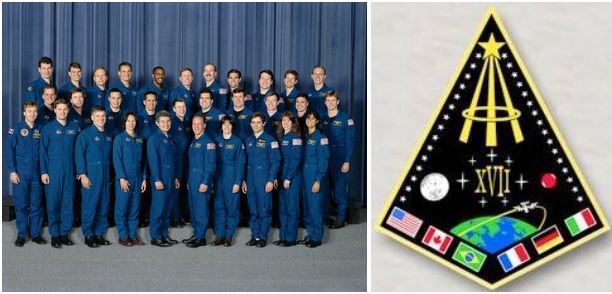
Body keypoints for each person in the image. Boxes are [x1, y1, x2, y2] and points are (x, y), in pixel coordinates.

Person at [40, 98, 81, 248]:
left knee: (68, 203)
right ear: (54, 110)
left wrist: (79, 170)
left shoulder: (75, 128)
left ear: (68, 110)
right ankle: (55, 234)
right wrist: (44, 171)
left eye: (65, 109)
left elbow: (79, 152)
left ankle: (64, 233)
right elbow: (42, 152)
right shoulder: (48, 129)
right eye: (60, 109)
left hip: (70, 170)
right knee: (53, 203)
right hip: (53, 170)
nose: (62, 112)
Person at [7, 101, 46, 247]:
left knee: (36, 204)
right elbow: (9, 150)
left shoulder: (40, 129)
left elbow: (43, 153)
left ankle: (35, 234)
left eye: (35, 111)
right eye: (29, 111)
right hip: (21, 173)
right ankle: (21, 234)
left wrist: (43, 172)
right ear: (24, 113)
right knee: (21, 204)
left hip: (36, 173)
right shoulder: (16, 129)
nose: (32, 114)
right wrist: (12, 171)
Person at [74, 106, 113, 248]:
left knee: (103, 205)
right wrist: (83, 175)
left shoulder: (108, 135)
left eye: (103, 116)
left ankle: (99, 233)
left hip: (105, 173)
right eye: (97, 116)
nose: (101, 119)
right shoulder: (85, 135)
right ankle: (88, 235)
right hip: (91, 174)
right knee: (90, 205)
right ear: (92, 118)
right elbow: (79, 155)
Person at [242, 112, 281, 248]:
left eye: (258, 122)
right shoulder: (248, 141)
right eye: (253, 123)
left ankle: (263, 237)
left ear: (263, 124)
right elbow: (244, 162)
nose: (256, 125)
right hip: (250, 179)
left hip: (264, 179)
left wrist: (271, 179)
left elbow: (275, 161)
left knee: (264, 208)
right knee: (253, 209)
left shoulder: (271, 140)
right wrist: (244, 180)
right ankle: (255, 235)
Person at [113, 112, 147, 246]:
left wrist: (144, 178)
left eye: (133, 121)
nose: (131, 123)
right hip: (124, 178)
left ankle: (133, 235)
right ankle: (123, 236)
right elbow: (117, 159)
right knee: (122, 208)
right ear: (124, 122)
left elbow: (144, 161)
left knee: (135, 208)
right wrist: (121, 177)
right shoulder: (119, 139)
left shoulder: (140, 139)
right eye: (128, 121)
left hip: (137, 178)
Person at [322, 91, 355, 229]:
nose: (330, 103)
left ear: (338, 102)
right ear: (325, 102)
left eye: (333, 100)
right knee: (325, 189)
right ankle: (328, 217)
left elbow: (350, 141)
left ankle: (341, 218)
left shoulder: (345, 118)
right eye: (328, 100)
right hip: (325, 157)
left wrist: (347, 160)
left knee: (340, 190)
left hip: (339, 157)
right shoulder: (322, 118)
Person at [211, 116, 245, 247]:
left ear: (232, 126)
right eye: (224, 124)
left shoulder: (237, 142)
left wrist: (237, 182)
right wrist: (212, 181)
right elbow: (212, 163)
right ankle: (219, 235)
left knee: (232, 209)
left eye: (229, 124)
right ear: (221, 127)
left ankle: (229, 236)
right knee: (219, 208)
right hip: (218, 179)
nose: (226, 127)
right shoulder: (215, 141)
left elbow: (240, 163)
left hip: (231, 179)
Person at [183, 114, 216, 248]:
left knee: (201, 209)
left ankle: (201, 237)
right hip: (193, 180)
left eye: (199, 124)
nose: (196, 126)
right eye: (194, 124)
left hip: (202, 181)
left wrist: (205, 182)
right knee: (194, 208)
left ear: (204, 125)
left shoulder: (208, 143)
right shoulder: (194, 141)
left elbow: (210, 166)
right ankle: (196, 233)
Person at [147, 110, 179, 247]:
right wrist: (157, 179)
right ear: (157, 123)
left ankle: (164, 234)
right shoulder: (154, 138)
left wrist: (176, 177)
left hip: (170, 178)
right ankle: (155, 236)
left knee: (167, 208)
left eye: (168, 121)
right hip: (160, 179)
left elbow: (172, 161)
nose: (166, 124)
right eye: (163, 122)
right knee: (158, 208)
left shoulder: (169, 138)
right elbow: (153, 162)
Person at [298, 110, 329, 248]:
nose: (310, 120)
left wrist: (318, 180)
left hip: (314, 176)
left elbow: (324, 160)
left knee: (315, 207)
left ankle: (317, 238)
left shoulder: (321, 138)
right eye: (308, 118)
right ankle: (310, 235)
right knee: (307, 207)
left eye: (312, 118)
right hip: (304, 176)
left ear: (317, 121)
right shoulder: (305, 136)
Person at [273, 111, 303, 247]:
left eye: (288, 121)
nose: (285, 123)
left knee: (291, 209)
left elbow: (296, 160)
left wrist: (288, 178)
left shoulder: (295, 137)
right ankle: (283, 236)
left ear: (293, 123)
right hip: (281, 177)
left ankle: (291, 238)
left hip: (291, 177)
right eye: (283, 121)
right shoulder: (280, 137)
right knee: (283, 209)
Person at [169, 99, 191, 228]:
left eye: (183, 106)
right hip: (176, 160)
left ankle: (183, 215)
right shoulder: (171, 123)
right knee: (176, 188)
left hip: (187, 161)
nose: (182, 109)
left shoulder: (187, 123)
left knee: (185, 189)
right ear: (174, 109)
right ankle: (175, 217)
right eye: (179, 107)